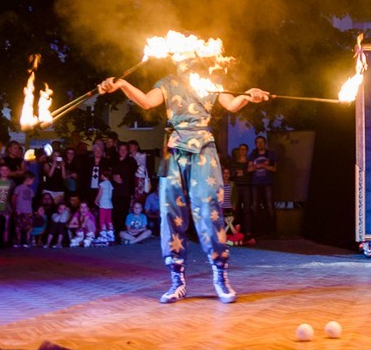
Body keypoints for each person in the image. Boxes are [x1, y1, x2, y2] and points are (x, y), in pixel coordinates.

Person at [98, 54, 270, 304]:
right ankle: (177, 281)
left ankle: (220, 277)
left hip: (203, 148)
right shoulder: (167, 82)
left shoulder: (211, 80)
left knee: (209, 207)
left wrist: (247, 95)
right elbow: (146, 102)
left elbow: (231, 104)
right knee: (170, 212)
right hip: (175, 149)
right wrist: (122, 85)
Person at [247, 135, 277, 239]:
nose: (260, 144)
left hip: (267, 183)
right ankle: (258, 231)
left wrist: (261, 166)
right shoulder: (253, 154)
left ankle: (272, 231)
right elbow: (249, 169)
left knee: (269, 206)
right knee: (255, 207)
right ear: (255, 144)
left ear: (265, 143)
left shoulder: (270, 154)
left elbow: (274, 168)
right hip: (255, 183)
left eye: (262, 142)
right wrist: (261, 165)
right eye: (258, 142)